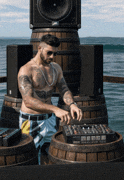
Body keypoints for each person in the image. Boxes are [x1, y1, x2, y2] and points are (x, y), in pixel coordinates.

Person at [18, 34, 82, 163]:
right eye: (49, 53)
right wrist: (55, 109)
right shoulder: (26, 70)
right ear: (40, 48)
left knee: (50, 155)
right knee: (30, 159)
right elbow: (28, 101)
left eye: (55, 54)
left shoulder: (56, 68)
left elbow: (64, 89)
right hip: (31, 122)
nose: (52, 57)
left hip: (50, 120)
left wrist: (72, 104)